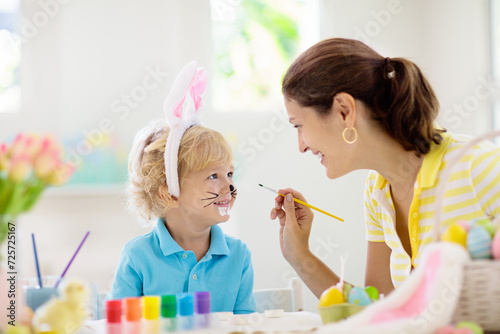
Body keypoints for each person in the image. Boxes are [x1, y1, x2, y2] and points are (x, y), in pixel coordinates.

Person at [270, 38, 500, 298]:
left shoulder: (480, 165)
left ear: (344, 111)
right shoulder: (377, 189)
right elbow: (381, 311)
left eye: (299, 125)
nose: (301, 146)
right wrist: (300, 256)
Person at [106, 62, 256, 314]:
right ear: (169, 193)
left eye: (230, 173)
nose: (229, 184)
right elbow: (118, 326)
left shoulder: (238, 255)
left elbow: (245, 325)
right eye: (213, 175)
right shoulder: (138, 256)